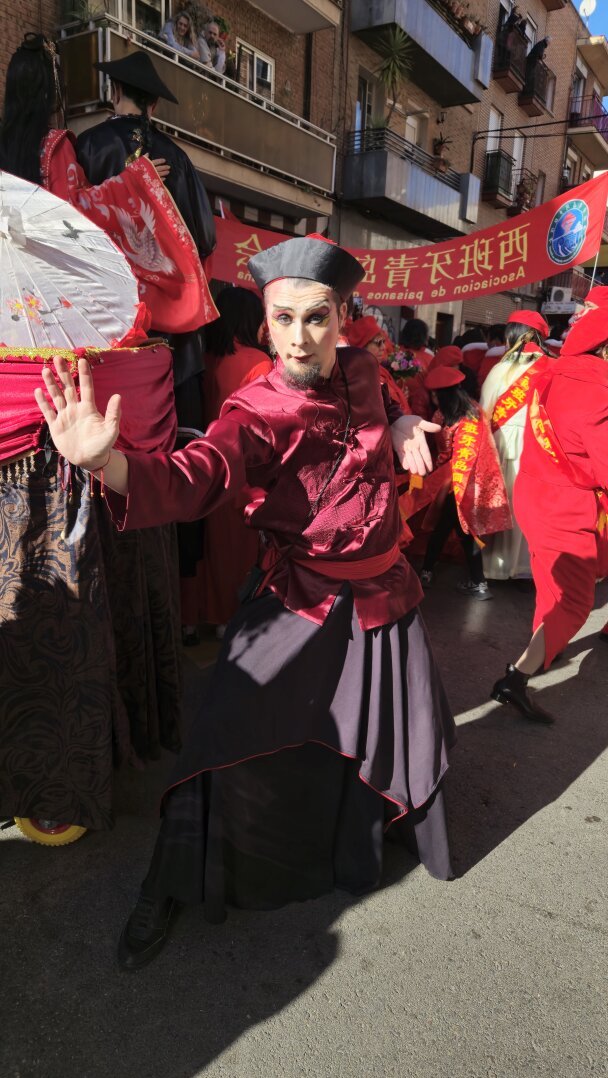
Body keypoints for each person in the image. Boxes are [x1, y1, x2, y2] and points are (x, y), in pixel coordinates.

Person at [35, 234, 456, 971]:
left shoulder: (363, 368)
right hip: (301, 595)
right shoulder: (255, 407)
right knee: (225, 735)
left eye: (318, 317)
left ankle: (359, 839)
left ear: (344, 315)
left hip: (385, 595)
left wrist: (397, 423)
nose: (300, 337)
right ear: (264, 317)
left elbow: (382, 406)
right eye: (284, 318)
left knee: (390, 729)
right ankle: (171, 880)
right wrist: (111, 462)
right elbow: (201, 472)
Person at [76, 50, 218, 634]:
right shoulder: (178, 161)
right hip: (167, 343)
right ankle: (166, 597)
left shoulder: (84, 150)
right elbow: (204, 239)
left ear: (116, 96)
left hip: (103, 334)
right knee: (165, 455)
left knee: (96, 456)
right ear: (155, 106)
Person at [0, 34, 211, 335]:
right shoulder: (56, 147)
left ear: (116, 92)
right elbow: (72, 216)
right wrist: (136, 181)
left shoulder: (86, 144)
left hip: (11, 283)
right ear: (154, 104)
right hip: (119, 309)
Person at [490, 288, 608, 724]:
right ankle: (516, 677)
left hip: (533, 491)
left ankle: (544, 649)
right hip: (565, 505)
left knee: (549, 582)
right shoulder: (598, 390)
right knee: (577, 601)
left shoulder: (557, 370)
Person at [195, 287, 273, 633]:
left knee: (201, 545)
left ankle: (192, 619)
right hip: (239, 465)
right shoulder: (259, 362)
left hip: (196, 461)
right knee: (233, 548)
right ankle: (228, 618)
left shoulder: (203, 356)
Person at [408, 367, 511, 599]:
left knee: (455, 529)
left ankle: (468, 580)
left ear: (440, 396)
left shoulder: (442, 417)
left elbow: (444, 454)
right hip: (476, 481)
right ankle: (433, 573)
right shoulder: (476, 410)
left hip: (452, 483)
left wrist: (434, 475)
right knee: (454, 527)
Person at [480, 311, 551, 581]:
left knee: (502, 503)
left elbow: (484, 411)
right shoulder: (551, 366)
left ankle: (495, 568)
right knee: (530, 509)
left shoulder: (501, 369)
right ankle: (525, 570)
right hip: (540, 446)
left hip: (502, 445)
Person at [346, 315, 411, 414]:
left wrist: (400, 394)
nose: (384, 347)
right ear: (362, 346)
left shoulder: (380, 369)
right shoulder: (360, 376)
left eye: (383, 342)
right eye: (378, 343)